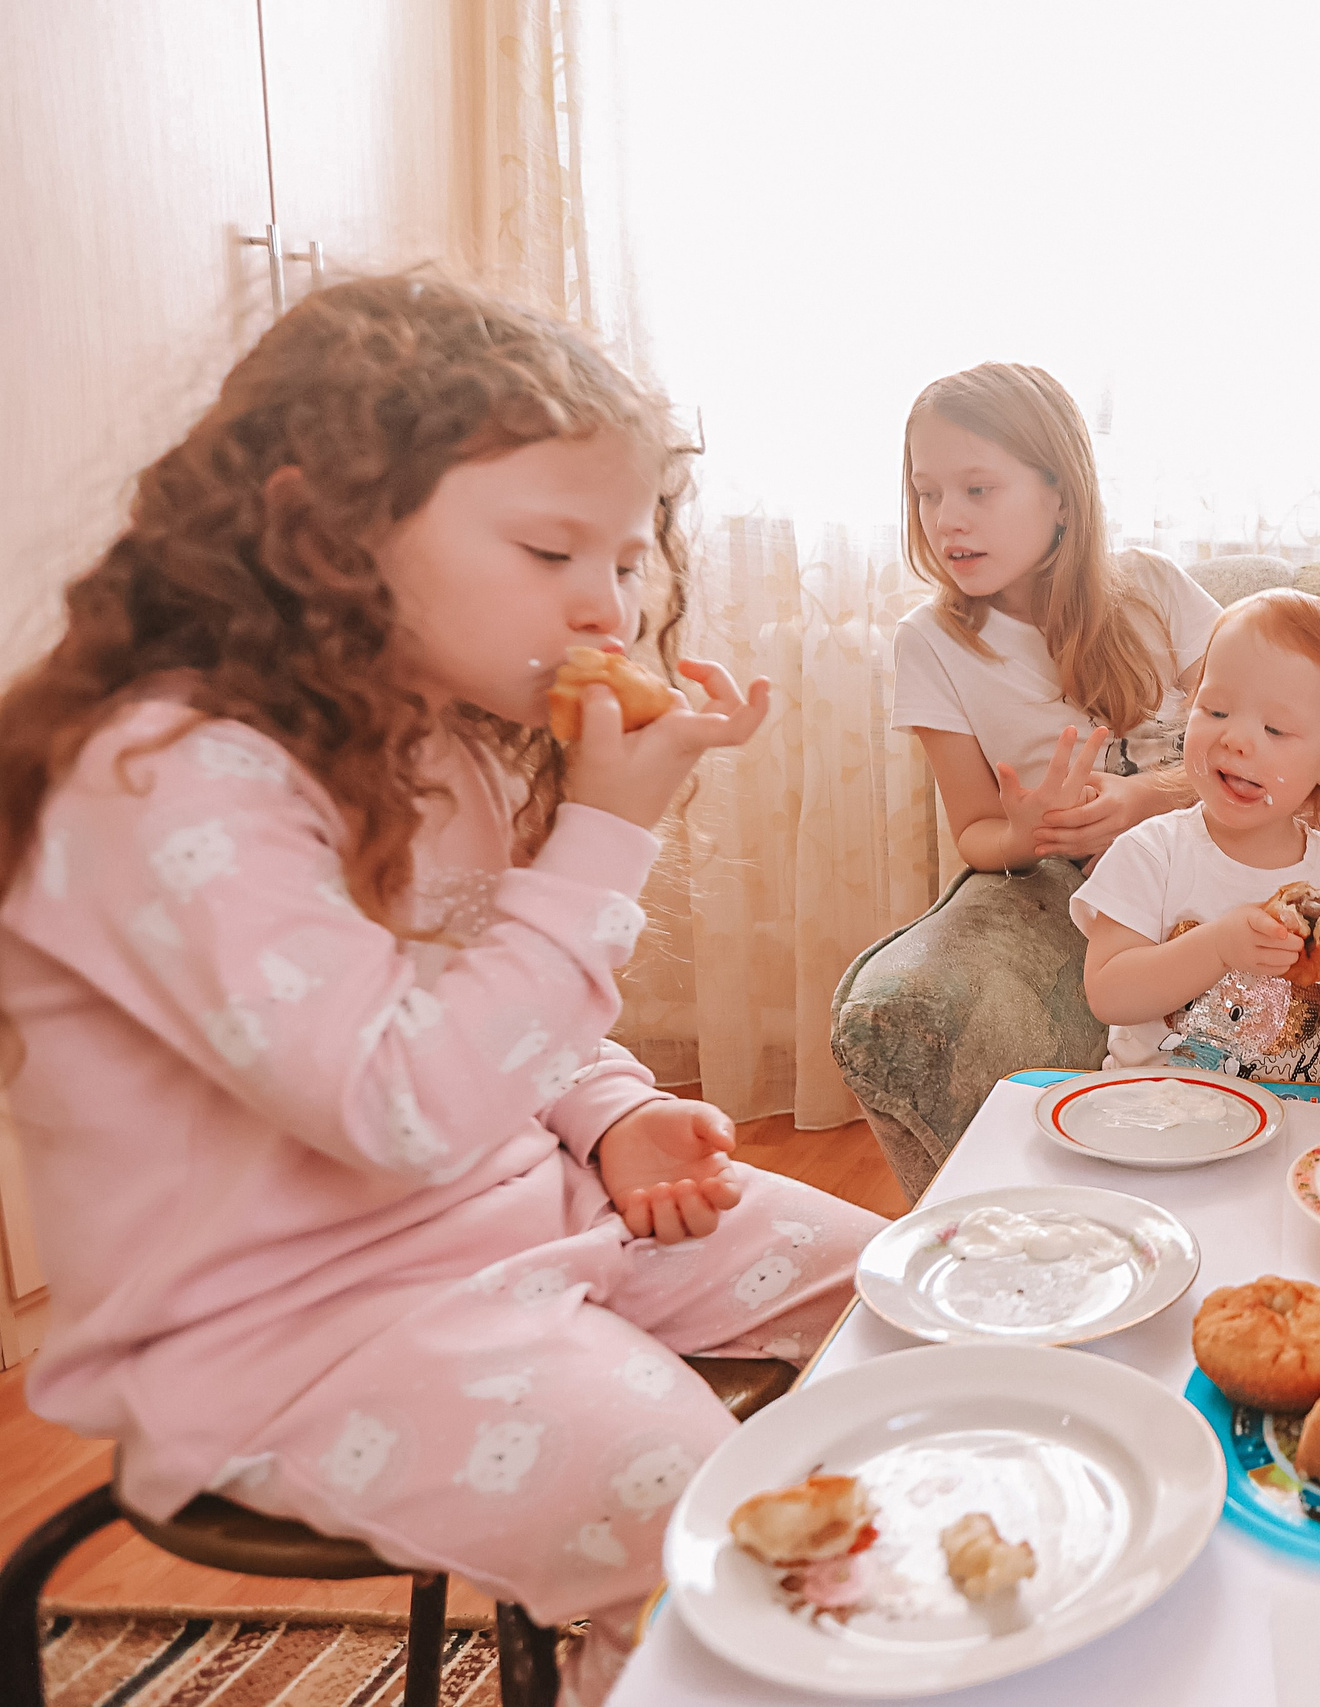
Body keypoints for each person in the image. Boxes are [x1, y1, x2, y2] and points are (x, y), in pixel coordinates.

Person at [0, 276, 885, 1704]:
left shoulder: (439, 738)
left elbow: (489, 1000)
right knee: (714, 1526)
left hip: (517, 1218)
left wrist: (608, 1109)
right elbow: (402, 1099)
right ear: (326, 529)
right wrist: (606, 835)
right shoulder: (164, 782)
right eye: (553, 547)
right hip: (288, 1334)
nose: (611, 600)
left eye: (628, 552)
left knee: (903, 1293)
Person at [889, 361, 1320, 914]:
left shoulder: (1147, 583)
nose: (947, 519)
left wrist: (1142, 794)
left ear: (1061, 495)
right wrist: (1025, 836)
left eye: (977, 489)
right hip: (1174, 869)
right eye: (926, 494)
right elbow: (975, 828)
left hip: (1255, 812)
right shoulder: (930, 643)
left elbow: (1260, 736)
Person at [1072, 589, 1320, 1082]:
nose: (1236, 739)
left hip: (1297, 1122)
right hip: (1157, 1114)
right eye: (1217, 711)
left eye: (1275, 729)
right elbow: (1107, 993)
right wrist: (1217, 949)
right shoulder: (1151, 853)